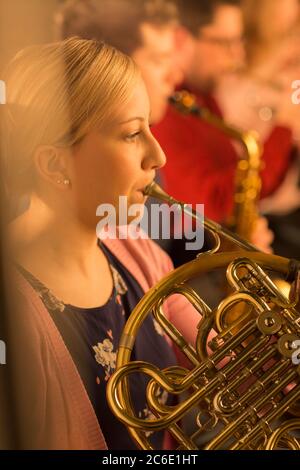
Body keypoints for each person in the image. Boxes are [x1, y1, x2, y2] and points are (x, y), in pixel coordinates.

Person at [2, 38, 201, 450]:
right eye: (131, 134)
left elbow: (217, 351)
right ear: (56, 164)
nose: (158, 155)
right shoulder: (14, 316)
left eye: (150, 127)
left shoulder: (130, 244)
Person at [152, 0, 294, 264]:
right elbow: (212, 204)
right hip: (189, 260)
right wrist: (283, 127)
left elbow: (245, 186)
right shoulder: (170, 108)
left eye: (239, 42)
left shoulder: (204, 97)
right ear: (183, 39)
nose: (237, 56)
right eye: (225, 43)